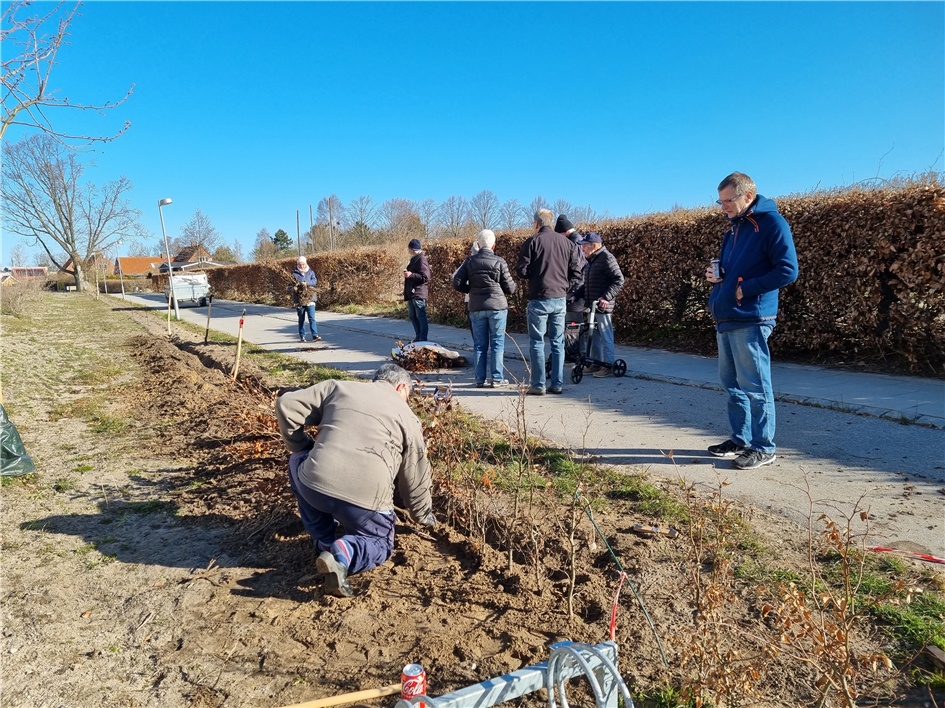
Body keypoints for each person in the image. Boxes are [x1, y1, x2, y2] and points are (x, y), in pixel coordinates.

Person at [274, 363, 434, 597]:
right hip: (366, 501)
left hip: (314, 486)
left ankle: (324, 541)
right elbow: (415, 475)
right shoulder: (409, 418)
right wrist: (423, 515)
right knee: (379, 543)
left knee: (298, 458)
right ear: (401, 387)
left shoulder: (338, 388)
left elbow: (286, 404)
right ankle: (345, 551)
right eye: (408, 395)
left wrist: (301, 445)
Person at [705, 172, 799, 471]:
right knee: (732, 385)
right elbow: (733, 272)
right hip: (727, 316)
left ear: (748, 196)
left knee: (755, 386)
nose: (723, 207)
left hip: (751, 316)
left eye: (727, 201)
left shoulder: (772, 223)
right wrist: (718, 278)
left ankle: (763, 447)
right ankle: (740, 439)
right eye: (720, 202)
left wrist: (744, 289)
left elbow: (788, 270)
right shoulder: (733, 228)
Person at [516, 208, 584, 395]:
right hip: (559, 298)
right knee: (558, 341)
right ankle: (557, 383)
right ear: (551, 223)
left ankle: (538, 385)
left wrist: (535, 275)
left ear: (536, 223)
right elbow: (577, 271)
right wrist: (566, 287)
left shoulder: (532, 242)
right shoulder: (567, 243)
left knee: (537, 342)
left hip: (539, 297)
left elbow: (521, 270)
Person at [452, 229, 517, 388]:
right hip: (497, 307)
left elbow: (456, 282)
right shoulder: (499, 262)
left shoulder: (469, 262)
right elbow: (510, 288)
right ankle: (497, 378)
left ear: (478, 245)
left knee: (479, 345)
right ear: (494, 245)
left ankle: (479, 379)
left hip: (476, 307)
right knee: (497, 344)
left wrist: (471, 290)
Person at [577, 232, 625, 377]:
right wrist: (575, 296)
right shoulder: (592, 261)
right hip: (592, 306)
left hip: (603, 306)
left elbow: (618, 280)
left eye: (584, 246)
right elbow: (588, 284)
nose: (582, 249)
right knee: (594, 336)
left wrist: (606, 297)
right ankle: (596, 363)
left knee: (605, 335)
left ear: (593, 246)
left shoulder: (607, 258)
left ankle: (608, 365)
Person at [403, 238, 431, 343]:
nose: (408, 251)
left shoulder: (421, 259)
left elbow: (425, 277)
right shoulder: (415, 258)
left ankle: (422, 338)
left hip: (418, 292)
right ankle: (418, 337)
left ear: (412, 249)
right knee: (412, 316)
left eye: (409, 249)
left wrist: (411, 275)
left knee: (420, 316)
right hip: (412, 293)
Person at [290, 256, 320, 342]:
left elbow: (314, 282)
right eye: (300, 264)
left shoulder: (310, 272)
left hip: (310, 298)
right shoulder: (294, 274)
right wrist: (294, 289)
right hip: (299, 300)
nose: (301, 266)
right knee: (301, 319)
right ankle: (302, 336)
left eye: (303, 264)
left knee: (312, 318)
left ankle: (315, 335)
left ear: (306, 264)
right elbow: (289, 286)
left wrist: (306, 283)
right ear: (297, 265)